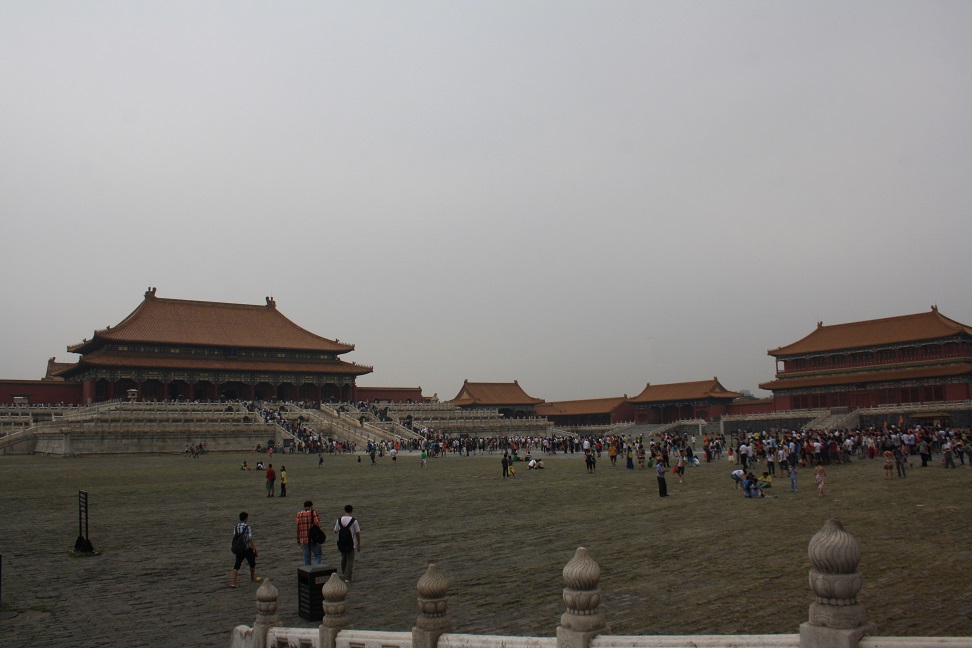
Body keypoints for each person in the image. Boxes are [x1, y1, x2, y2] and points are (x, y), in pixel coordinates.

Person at [230, 512, 262, 588]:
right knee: (252, 563)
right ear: (246, 518)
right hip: (247, 548)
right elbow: (250, 538)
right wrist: (254, 548)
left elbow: (235, 537)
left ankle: (233, 582)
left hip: (239, 548)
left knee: (237, 565)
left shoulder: (236, 527)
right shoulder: (247, 527)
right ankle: (252, 578)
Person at [334, 505, 362, 583]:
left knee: (343, 558)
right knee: (350, 560)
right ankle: (347, 577)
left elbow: (335, 531)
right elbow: (358, 533)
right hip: (351, 543)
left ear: (344, 510)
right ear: (352, 511)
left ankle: (344, 573)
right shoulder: (354, 521)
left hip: (342, 542)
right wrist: (358, 544)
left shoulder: (339, 520)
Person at [296, 500, 322, 566]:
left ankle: (308, 570)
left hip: (304, 538)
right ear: (311, 506)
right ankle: (316, 568)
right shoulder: (313, 513)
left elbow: (298, 527)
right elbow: (317, 524)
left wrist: (298, 538)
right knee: (317, 555)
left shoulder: (299, 514)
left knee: (306, 557)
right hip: (313, 538)